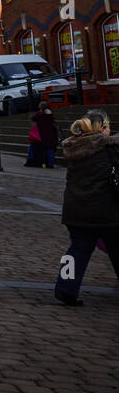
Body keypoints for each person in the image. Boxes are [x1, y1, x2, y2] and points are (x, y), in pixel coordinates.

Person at [53, 110, 119, 306]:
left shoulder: (74, 148)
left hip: (76, 209)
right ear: (102, 128)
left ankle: (65, 288)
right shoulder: (110, 149)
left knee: (76, 251)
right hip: (106, 209)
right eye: (108, 126)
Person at [27, 101, 58, 168]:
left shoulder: (39, 114)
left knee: (44, 150)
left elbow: (33, 118)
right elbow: (52, 120)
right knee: (50, 149)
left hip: (42, 134)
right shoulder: (49, 113)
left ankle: (41, 163)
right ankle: (50, 163)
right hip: (51, 133)